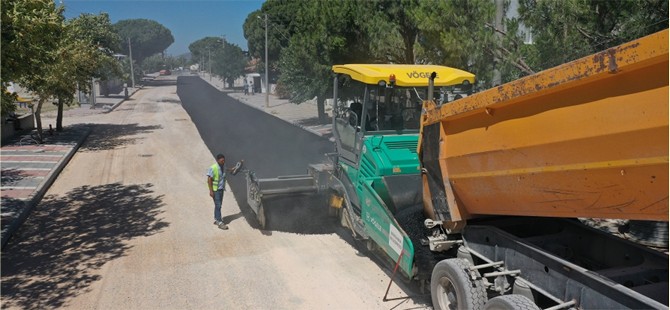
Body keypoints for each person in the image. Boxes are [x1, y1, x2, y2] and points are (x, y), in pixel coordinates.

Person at [207, 154, 234, 230]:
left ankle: (216, 218)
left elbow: (226, 169)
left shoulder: (223, 166)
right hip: (215, 190)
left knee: (218, 204)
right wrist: (211, 191)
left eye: (224, 160)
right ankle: (220, 222)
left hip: (221, 189)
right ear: (217, 160)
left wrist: (231, 169)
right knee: (218, 205)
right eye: (222, 160)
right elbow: (209, 179)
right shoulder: (213, 168)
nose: (223, 161)